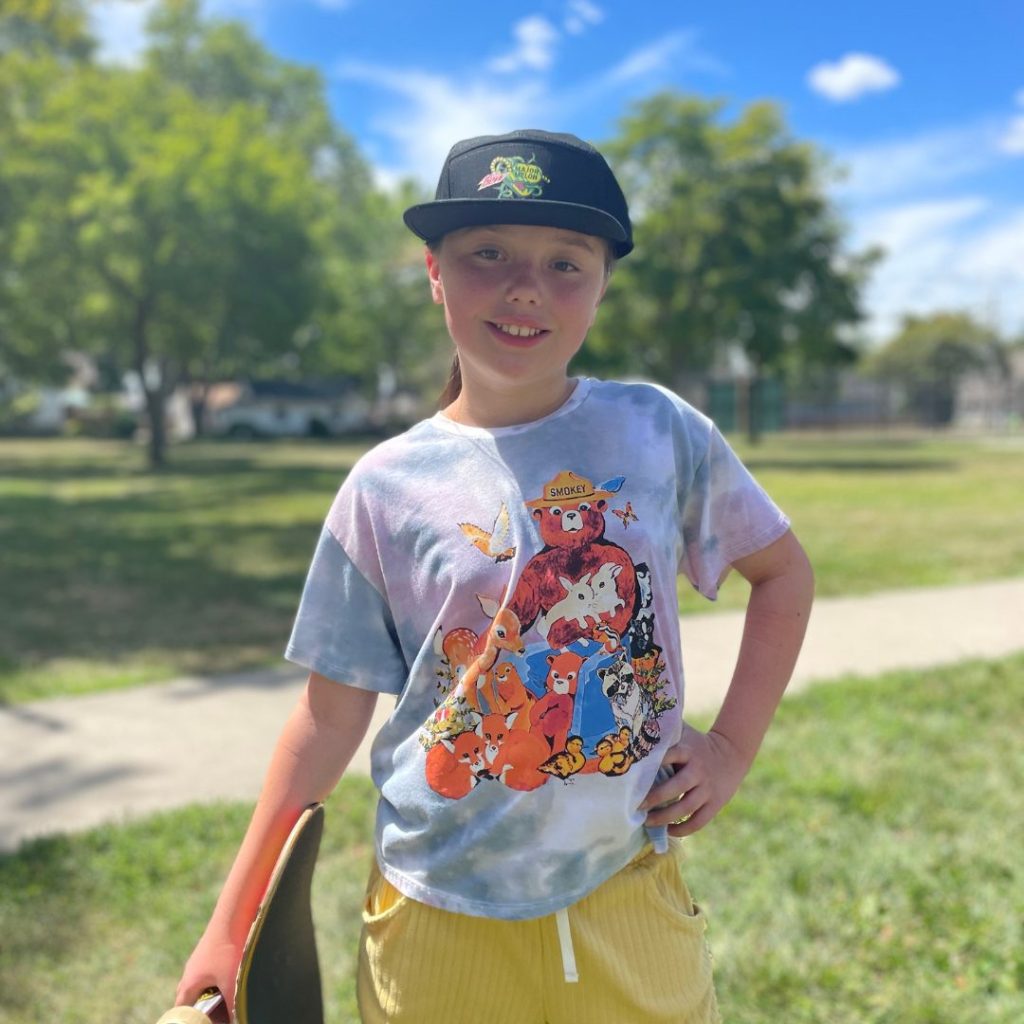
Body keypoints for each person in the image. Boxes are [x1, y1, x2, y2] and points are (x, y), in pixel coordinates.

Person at [175, 129, 814, 1023]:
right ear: (434, 271)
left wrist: (732, 749)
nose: (525, 287)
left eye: (566, 262)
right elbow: (323, 723)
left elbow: (783, 575)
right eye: (488, 254)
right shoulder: (384, 487)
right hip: (436, 927)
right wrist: (230, 925)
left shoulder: (657, 431)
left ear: (602, 284)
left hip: (629, 898)